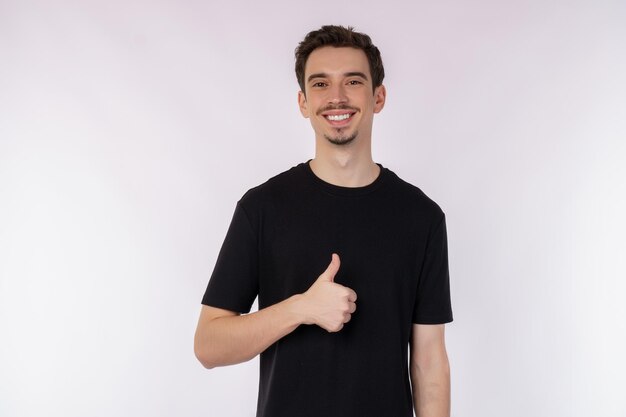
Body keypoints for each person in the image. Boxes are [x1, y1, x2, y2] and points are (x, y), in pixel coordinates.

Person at [194, 25, 453, 417]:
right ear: (302, 101)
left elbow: (429, 362)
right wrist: (301, 309)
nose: (336, 97)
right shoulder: (262, 208)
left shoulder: (422, 217)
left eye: (353, 81)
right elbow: (208, 346)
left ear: (378, 96)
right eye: (320, 84)